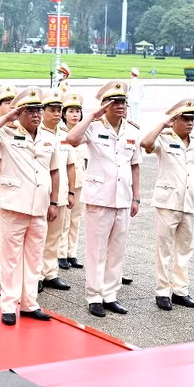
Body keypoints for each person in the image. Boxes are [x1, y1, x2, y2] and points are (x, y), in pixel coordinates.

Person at [0, 87, 59, 326]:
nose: (35, 115)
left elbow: (54, 171)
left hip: (40, 206)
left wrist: (54, 202)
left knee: (34, 258)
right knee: (10, 259)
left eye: (38, 110)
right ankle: (10, 305)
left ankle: (29, 303)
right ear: (19, 113)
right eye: (29, 110)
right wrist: (7, 117)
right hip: (15, 205)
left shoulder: (48, 137)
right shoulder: (7, 132)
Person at [67, 81, 141, 317]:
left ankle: (110, 294)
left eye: (123, 102)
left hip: (122, 197)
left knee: (117, 250)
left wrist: (136, 197)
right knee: (96, 250)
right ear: (105, 106)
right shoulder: (93, 126)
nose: (120, 106)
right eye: (115, 102)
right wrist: (91, 116)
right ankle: (94, 295)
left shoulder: (132, 130)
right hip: (99, 198)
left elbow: (135, 165)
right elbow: (71, 139)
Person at [140, 99, 194, 311]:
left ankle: (180, 291)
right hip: (167, 202)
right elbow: (145, 144)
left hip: (188, 203)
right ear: (175, 120)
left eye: (192, 119)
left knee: (185, 250)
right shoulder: (164, 139)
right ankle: (162, 291)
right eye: (185, 119)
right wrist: (163, 124)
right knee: (164, 250)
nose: (189, 123)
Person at [38, 89, 76, 292]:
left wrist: (71, 192)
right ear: (43, 111)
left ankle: (50, 272)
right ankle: (36, 274)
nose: (55, 114)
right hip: (41, 193)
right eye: (51, 110)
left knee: (55, 235)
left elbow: (71, 165)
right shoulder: (36, 133)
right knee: (38, 236)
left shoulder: (65, 135)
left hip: (60, 194)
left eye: (58, 110)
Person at [0, 84, 17, 277]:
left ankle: (4, 258)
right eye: (7, 103)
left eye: (13, 103)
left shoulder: (18, 127)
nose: (10, 106)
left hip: (12, 182)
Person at [58, 92, 86, 270]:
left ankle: (71, 252)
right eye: (71, 111)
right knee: (63, 221)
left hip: (80, 182)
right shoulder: (59, 132)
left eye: (77, 112)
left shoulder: (84, 132)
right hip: (63, 182)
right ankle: (60, 254)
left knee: (76, 220)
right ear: (64, 114)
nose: (75, 115)